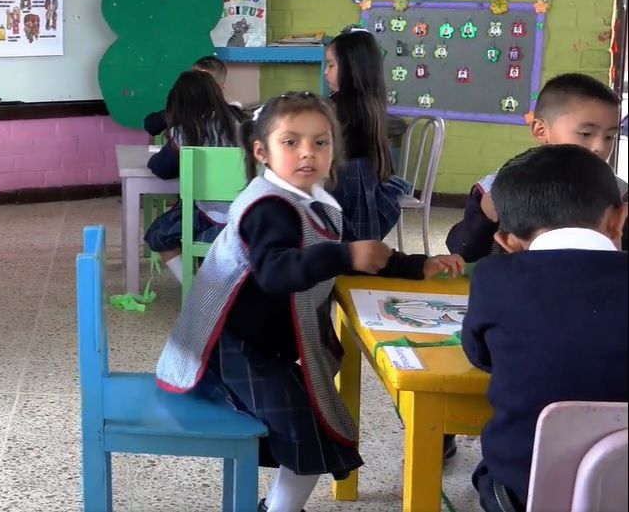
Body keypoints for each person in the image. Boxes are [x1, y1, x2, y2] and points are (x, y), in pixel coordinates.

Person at [154, 92, 463, 512]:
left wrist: (417, 265)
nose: (307, 152)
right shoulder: (267, 206)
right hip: (226, 347)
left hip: (266, 346)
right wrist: (345, 256)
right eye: (291, 142)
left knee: (314, 429)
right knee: (306, 432)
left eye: (321, 142)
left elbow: (358, 254)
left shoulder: (315, 202)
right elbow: (276, 271)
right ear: (261, 152)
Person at [462, 144, 628, 512]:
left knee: (489, 470)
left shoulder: (492, 278)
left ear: (506, 242)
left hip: (523, 493)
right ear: (619, 220)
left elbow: (480, 355)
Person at [447, 72, 626, 261]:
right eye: (586, 133)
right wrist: (485, 217)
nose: (600, 146)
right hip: (513, 279)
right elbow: (462, 252)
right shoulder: (496, 187)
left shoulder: (620, 193)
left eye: (609, 137)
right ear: (541, 130)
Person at [143, 70, 242, 271]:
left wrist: (154, 160)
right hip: (251, 210)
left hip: (212, 215)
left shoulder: (184, 131)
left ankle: (192, 285)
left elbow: (163, 170)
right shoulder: (241, 122)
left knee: (158, 234)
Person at [324, 28, 410, 241]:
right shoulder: (371, 101)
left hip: (344, 186)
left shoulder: (335, 106)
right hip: (369, 184)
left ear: (352, 68)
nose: (326, 72)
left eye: (331, 65)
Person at [143, 55, 238, 136]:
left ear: (220, 87)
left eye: (206, 84)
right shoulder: (181, 111)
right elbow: (151, 125)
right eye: (194, 81)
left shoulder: (231, 116)